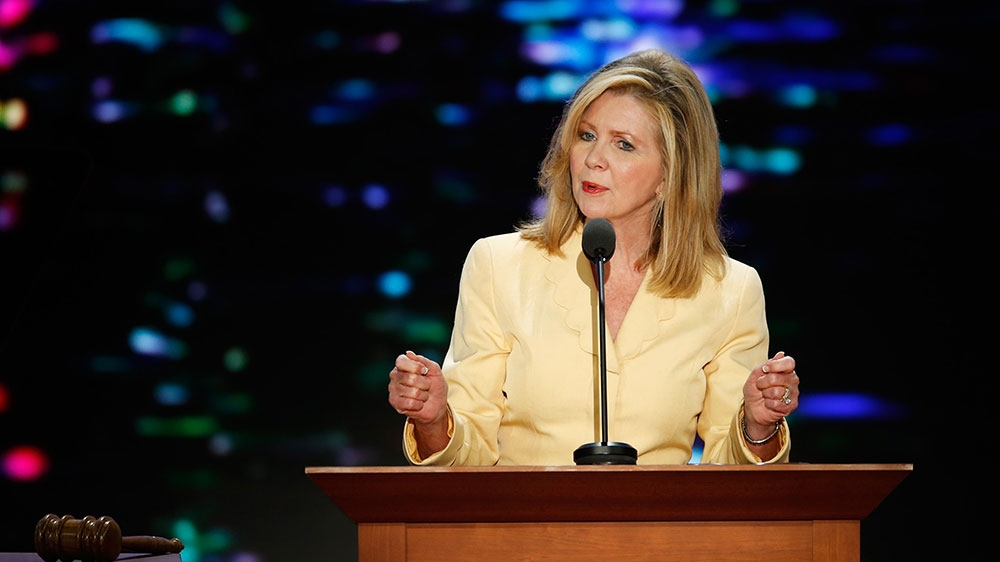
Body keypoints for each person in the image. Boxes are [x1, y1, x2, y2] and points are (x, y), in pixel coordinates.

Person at [387, 48, 799, 466]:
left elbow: (732, 475)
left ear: (670, 174)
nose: (593, 159)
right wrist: (434, 421)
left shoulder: (730, 290)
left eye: (623, 145)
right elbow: (467, 454)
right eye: (587, 135)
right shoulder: (498, 267)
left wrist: (757, 427)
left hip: (659, 529)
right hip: (522, 525)